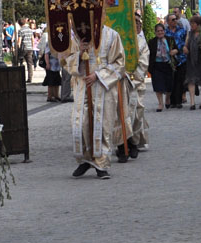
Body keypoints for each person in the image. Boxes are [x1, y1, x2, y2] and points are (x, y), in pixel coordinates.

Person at [65, 17, 131, 178]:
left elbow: (120, 63)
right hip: (82, 85)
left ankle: (101, 164)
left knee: (102, 125)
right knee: (81, 123)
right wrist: (80, 53)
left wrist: (98, 75)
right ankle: (85, 160)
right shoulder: (77, 37)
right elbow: (66, 60)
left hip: (103, 86)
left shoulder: (112, 35)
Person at [128, 12, 150, 152]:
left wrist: (134, 77)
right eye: (133, 24)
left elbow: (143, 62)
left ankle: (136, 139)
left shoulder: (142, 42)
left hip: (137, 82)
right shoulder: (123, 40)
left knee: (138, 111)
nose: (136, 26)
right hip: (123, 82)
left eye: (138, 24)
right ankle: (126, 142)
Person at [147, 24, 174, 112]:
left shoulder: (170, 40)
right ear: (155, 32)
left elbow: (177, 49)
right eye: (158, 31)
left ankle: (167, 98)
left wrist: (174, 51)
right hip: (156, 65)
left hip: (168, 64)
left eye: (161, 30)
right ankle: (160, 103)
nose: (160, 32)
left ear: (164, 31)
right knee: (158, 85)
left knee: (169, 85)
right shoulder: (152, 42)